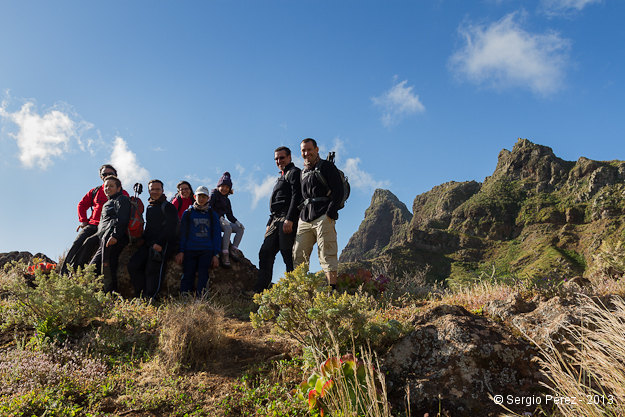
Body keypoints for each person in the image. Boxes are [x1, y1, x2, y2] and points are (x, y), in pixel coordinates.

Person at [292, 138, 344, 288]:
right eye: (303, 150)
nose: (306, 153)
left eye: (309, 149)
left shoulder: (327, 167)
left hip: (323, 216)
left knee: (327, 254)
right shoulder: (303, 172)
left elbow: (338, 191)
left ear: (317, 149)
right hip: (305, 218)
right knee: (298, 255)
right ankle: (301, 293)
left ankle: (331, 291)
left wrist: (330, 213)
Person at [60, 164, 129, 274]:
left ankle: (78, 273)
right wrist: (83, 220)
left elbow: (124, 214)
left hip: (106, 227)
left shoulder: (122, 194)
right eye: (104, 174)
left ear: (116, 176)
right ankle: (64, 274)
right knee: (77, 243)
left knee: (89, 243)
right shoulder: (95, 191)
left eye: (110, 174)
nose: (106, 176)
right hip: (92, 224)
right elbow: (82, 205)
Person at [253, 146, 302, 294]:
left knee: (288, 255)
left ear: (289, 157)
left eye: (282, 158)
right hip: (275, 220)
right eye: (276, 158)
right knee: (265, 252)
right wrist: (269, 223)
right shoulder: (282, 175)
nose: (279, 161)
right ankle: (261, 292)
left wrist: (290, 219)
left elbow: (296, 196)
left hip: (286, 219)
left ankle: (293, 293)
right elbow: (277, 203)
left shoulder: (294, 173)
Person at [127, 179, 179, 299]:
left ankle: (150, 297)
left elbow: (172, 227)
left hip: (163, 244)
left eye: (157, 189)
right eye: (152, 189)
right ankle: (140, 295)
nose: (155, 192)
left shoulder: (168, 207)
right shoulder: (150, 207)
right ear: (149, 190)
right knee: (133, 265)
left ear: (162, 190)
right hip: (149, 243)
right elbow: (149, 227)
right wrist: (142, 239)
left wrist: (160, 243)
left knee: (153, 270)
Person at [87, 175, 131, 293]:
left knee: (108, 267)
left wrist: (115, 236)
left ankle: (110, 295)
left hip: (113, 238)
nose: (108, 188)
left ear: (118, 188)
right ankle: (101, 294)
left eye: (111, 186)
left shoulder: (122, 199)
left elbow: (123, 218)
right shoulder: (109, 202)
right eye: (106, 186)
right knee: (94, 268)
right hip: (104, 238)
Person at [176, 186, 222, 296]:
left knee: (203, 274)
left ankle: (201, 299)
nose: (201, 199)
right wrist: (181, 251)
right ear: (194, 196)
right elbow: (183, 233)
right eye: (199, 196)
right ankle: (184, 297)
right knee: (188, 274)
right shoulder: (188, 213)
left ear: (208, 198)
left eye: (204, 197)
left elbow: (216, 235)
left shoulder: (212, 215)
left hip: (206, 250)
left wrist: (216, 254)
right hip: (190, 249)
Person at [209, 172, 244, 267]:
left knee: (240, 229)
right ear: (219, 186)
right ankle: (225, 253)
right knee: (228, 228)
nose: (225, 189)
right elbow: (209, 208)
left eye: (227, 187)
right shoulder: (214, 194)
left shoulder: (227, 200)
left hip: (223, 221)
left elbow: (229, 215)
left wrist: (237, 222)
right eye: (223, 186)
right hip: (214, 220)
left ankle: (233, 249)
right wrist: (219, 217)